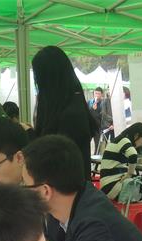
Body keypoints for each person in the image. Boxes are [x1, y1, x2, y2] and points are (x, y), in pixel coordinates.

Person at [32, 45, 97, 176]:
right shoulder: (66, 104)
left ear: (50, 78)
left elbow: (55, 158)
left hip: (66, 185)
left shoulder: (72, 114)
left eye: (39, 77)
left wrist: (30, 136)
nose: (38, 83)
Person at [99, 122, 142, 200]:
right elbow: (133, 155)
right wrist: (129, 174)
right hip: (113, 187)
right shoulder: (124, 140)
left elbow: (122, 158)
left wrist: (139, 160)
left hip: (106, 187)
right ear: (136, 135)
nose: (141, 145)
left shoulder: (118, 140)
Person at [88, 86, 113, 152]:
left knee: (98, 144)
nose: (96, 95)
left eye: (98, 93)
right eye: (95, 93)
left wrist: (95, 110)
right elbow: (87, 113)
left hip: (99, 127)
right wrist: (92, 109)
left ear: (101, 94)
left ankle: (96, 155)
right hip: (90, 126)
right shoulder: (90, 102)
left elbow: (103, 115)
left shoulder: (104, 102)